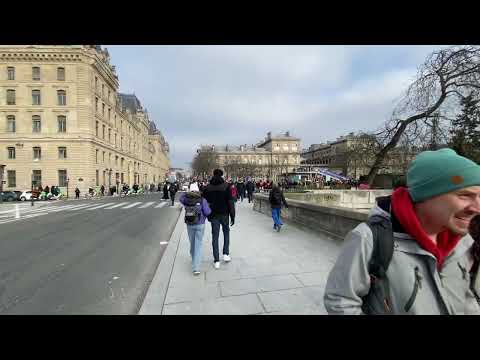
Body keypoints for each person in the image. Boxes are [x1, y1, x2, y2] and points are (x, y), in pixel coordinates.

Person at [324, 148, 480, 315]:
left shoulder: (464, 240)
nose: (477, 208)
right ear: (427, 195)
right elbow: (340, 302)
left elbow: (466, 296)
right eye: (465, 195)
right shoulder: (369, 239)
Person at [202, 169, 235, 269]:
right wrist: (232, 216)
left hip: (213, 215)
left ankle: (216, 260)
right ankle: (225, 254)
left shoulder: (208, 187)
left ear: (213, 175)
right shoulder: (226, 186)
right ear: (222, 175)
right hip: (224, 214)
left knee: (215, 236)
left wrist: (206, 215)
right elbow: (230, 202)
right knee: (226, 233)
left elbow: (204, 202)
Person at [179, 189, 212, 275]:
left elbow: (180, 198)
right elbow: (208, 212)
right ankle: (196, 267)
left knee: (192, 242)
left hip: (189, 224)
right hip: (200, 224)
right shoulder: (202, 200)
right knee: (198, 244)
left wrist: (186, 192)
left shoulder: (186, 200)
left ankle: (193, 258)